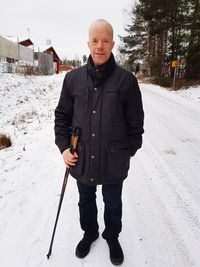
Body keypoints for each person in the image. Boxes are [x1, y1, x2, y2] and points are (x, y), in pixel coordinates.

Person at [54, 19, 144, 265]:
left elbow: (136, 124)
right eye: (95, 40)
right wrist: (64, 147)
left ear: (113, 43)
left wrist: (126, 152)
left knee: (113, 202)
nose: (100, 46)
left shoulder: (127, 82)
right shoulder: (72, 79)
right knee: (85, 200)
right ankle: (90, 232)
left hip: (114, 159)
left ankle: (112, 236)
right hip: (81, 156)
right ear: (88, 43)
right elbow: (61, 117)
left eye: (105, 40)